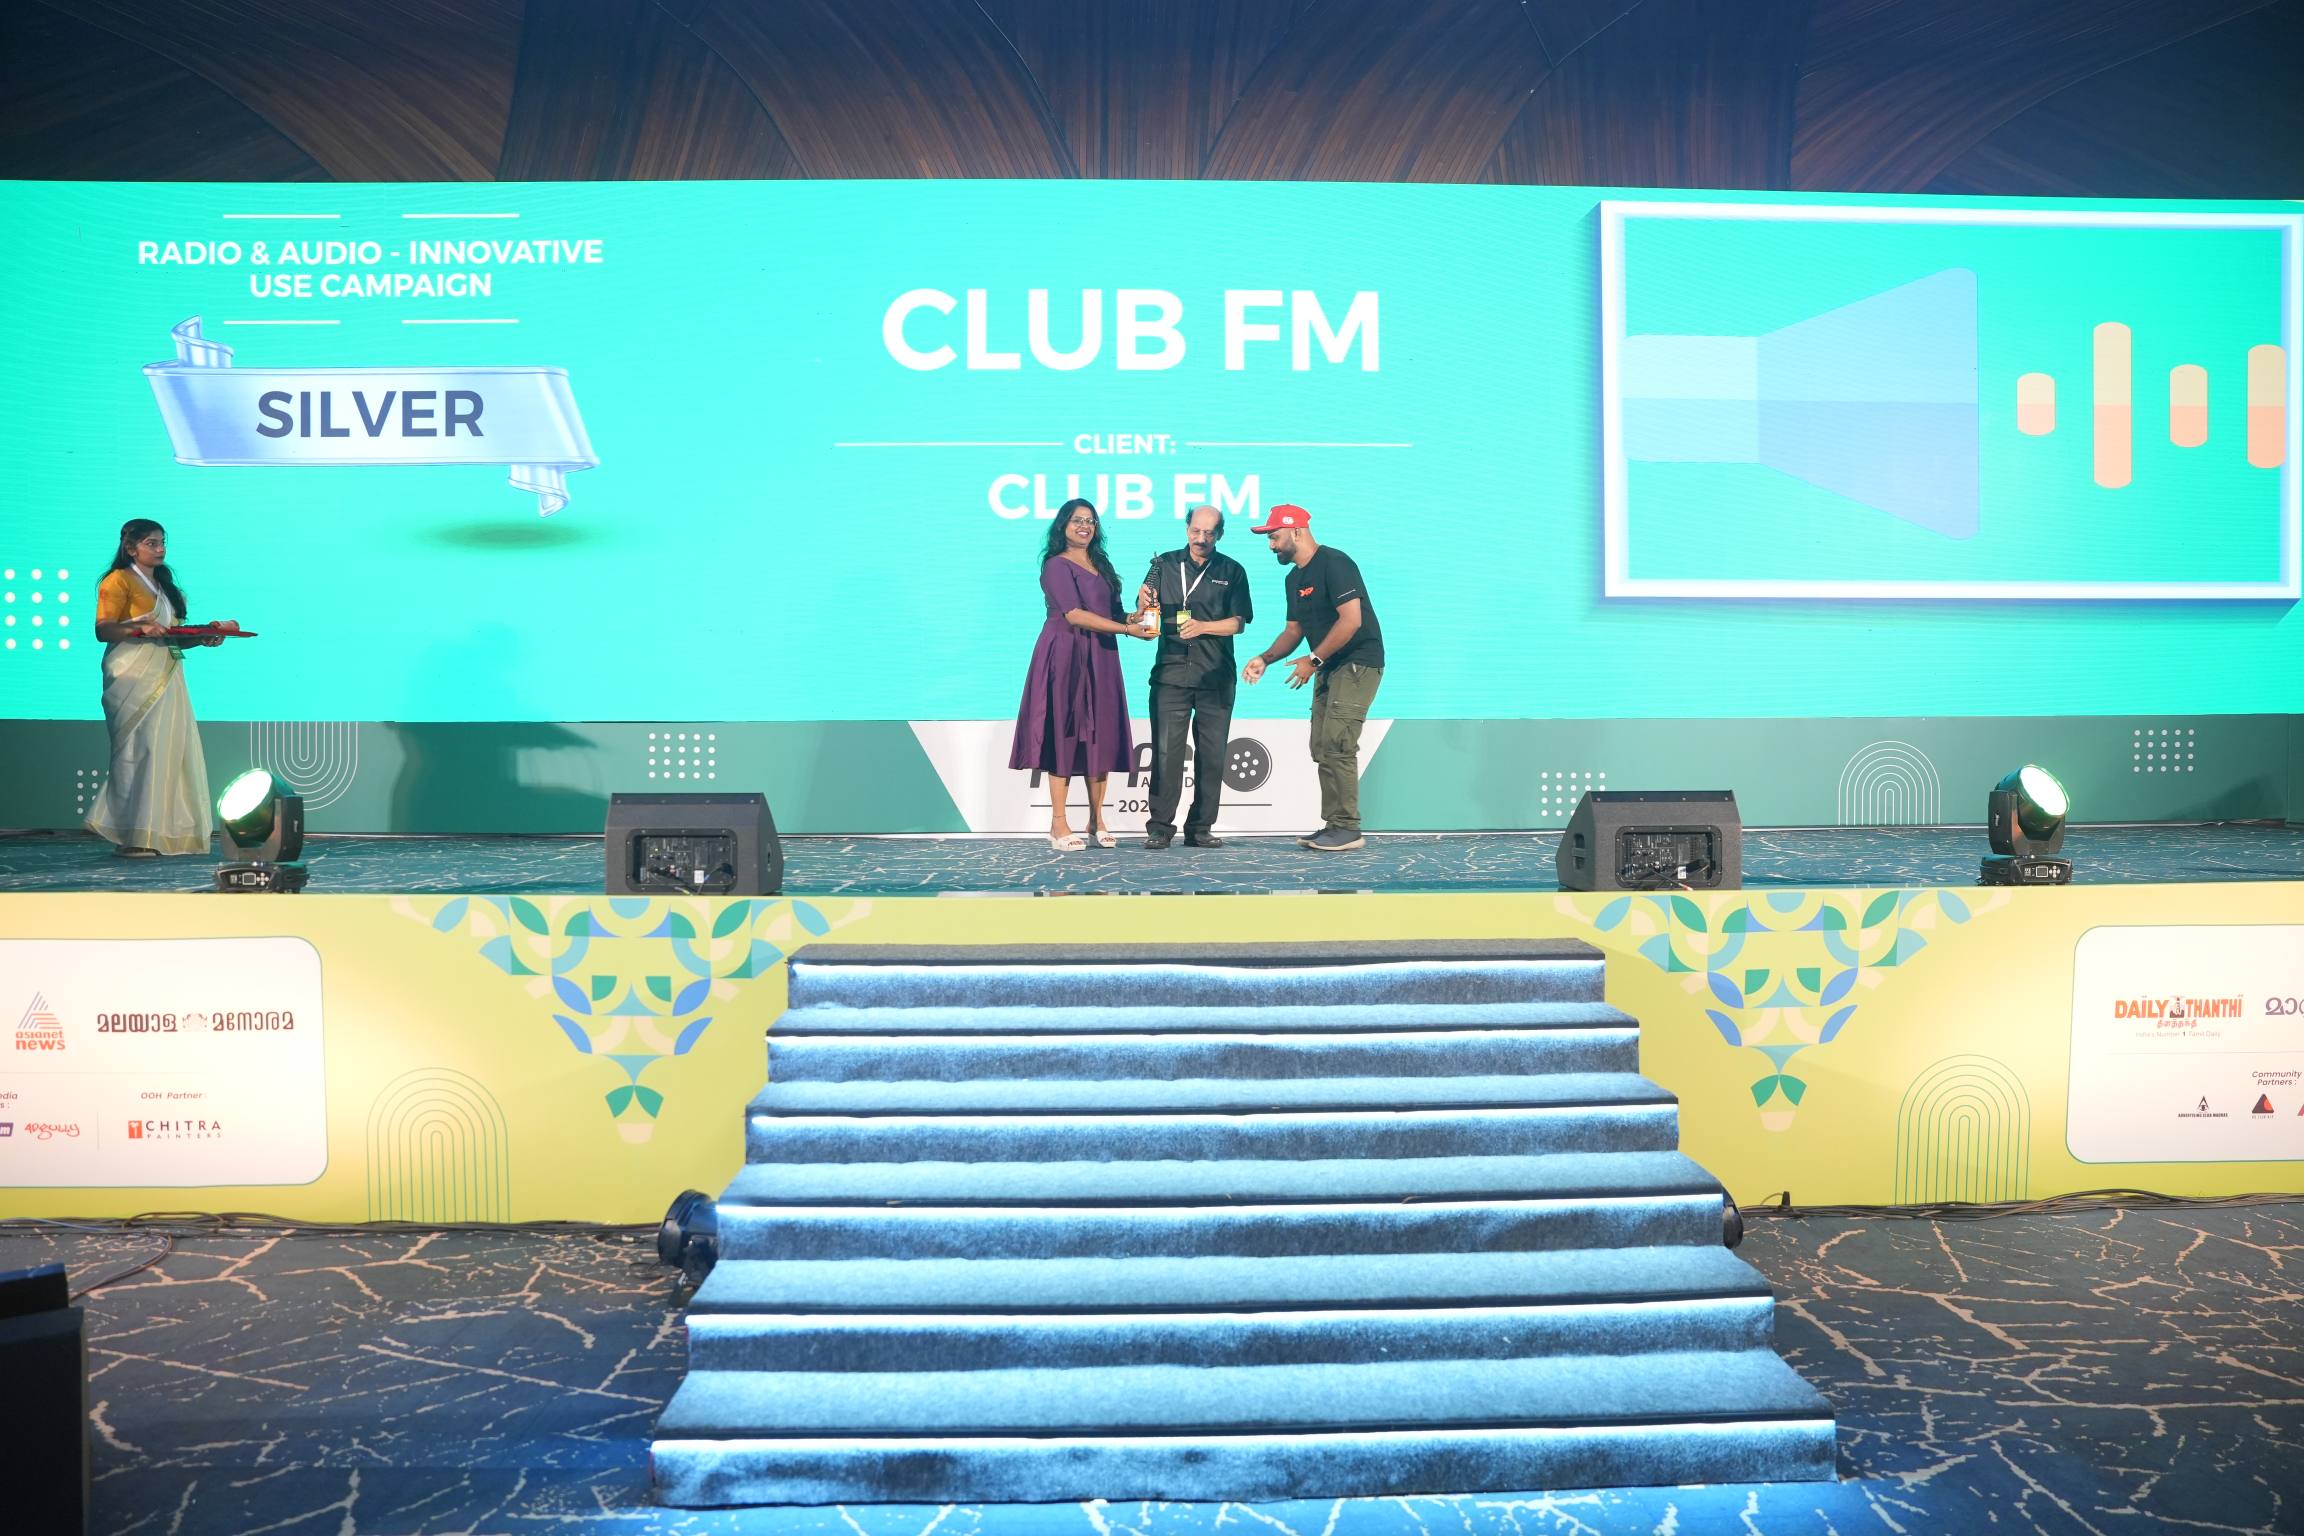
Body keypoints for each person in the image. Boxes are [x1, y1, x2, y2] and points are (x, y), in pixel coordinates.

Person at [84, 519, 236, 857]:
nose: (160, 549)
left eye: (162, 542)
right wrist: (138, 629)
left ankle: (163, 834)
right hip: (131, 677)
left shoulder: (165, 587)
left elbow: (170, 638)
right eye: (151, 543)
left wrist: (203, 638)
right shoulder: (117, 581)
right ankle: (133, 836)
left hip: (167, 675)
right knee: (141, 751)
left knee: (169, 751)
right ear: (130, 548)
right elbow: (103, 631)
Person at [1010, 499, 1155, 850]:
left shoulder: (1102, 564)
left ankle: (1096, 820)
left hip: (1101, 655)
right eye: (1077, 520)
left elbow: (1113, 613)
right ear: (1062, 525)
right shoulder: (1055, 565)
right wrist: (1127, 630)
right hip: (1065, 654)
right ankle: (1058, 824)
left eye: (1090, 521)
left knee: (1100, 734)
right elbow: (1074, 615)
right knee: (1064, 733)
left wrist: (1137, 614)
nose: (1084, 526)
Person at [1241, 503, 1384, 851]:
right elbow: (1294, 631)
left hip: (1357, 662)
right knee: (1321, 746)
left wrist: (1314, 659)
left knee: (1337, 742)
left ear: (1296, 531)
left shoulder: (1335, 563)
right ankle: (1335, 824)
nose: (1271, 545)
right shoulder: (1294, 578)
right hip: (1328, 664)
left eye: (1274, 537)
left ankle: (1348, 828)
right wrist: (1265, 658)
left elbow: (1351, 620)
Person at [1133, 505, 1253, 850]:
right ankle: (1160, 828)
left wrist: (1203, 627)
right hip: (1170, 675)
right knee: (1165, 754)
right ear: (1187, 528)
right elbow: (1145, 621)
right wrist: (1142, 605)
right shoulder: (1162, 565)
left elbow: (1238, 623)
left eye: (1209, 533)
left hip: (1216, 676)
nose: (1201, 538)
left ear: (1220, 534)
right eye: (1196, 531)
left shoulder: (1233, 570)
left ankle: (1200, 827)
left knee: (1212, 756)